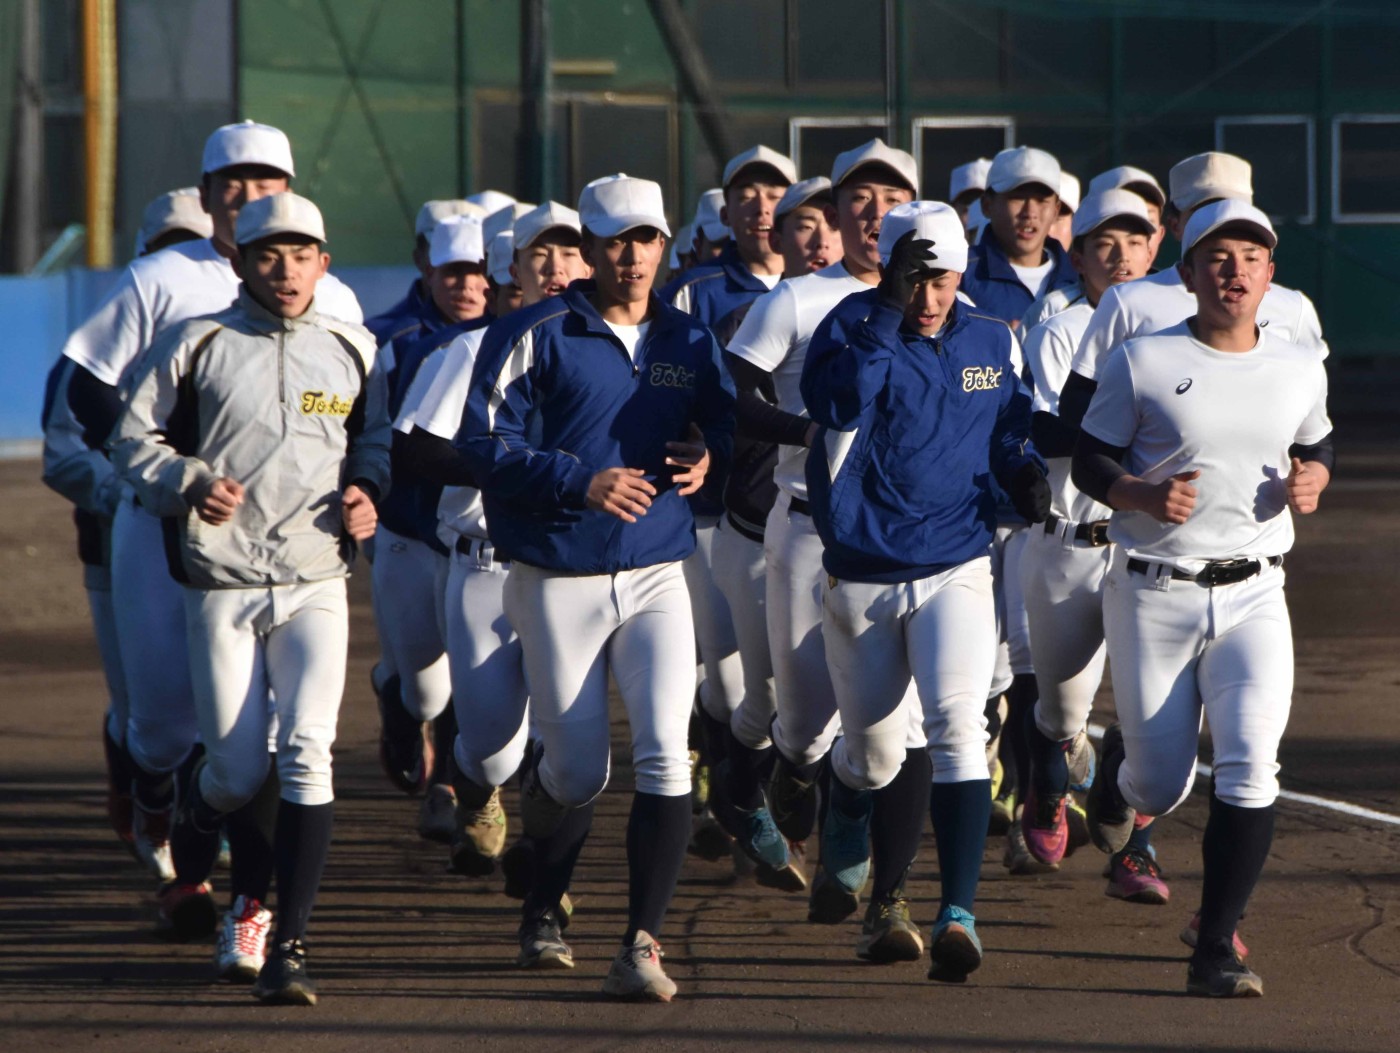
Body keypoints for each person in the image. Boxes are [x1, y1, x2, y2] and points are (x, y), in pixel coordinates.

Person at [60, 120, 362, 887]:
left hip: (287, 547)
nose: (249, 195)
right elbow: (88, 384)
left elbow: (359, 413)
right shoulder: (163, 278)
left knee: (259, 730)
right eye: (232, 182)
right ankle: (159, 798)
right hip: (161, 523)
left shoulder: (335, 295)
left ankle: (228, 882)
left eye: (266, 182)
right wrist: (168, 469)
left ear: (289, 193)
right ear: (205, 195)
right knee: (159, 725)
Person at [109, 191, 390, 1005]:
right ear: (238, 261)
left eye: (303, 254)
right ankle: (198, 809)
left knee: (306, 749)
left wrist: (369, 489)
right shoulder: (193, 343)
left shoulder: (352, 346)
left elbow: (373, 438)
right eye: (270, 254)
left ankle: (287, 942)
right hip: (221, 584)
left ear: (324, 264)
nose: (288, 269)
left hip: (315, 580)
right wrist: (189, 479)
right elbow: (131, 439)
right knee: (233, 769)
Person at [460, 174, 734, 1001]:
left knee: (665, 753)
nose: (634, 255)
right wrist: (578, 481)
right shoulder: (535, 330)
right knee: (578, 772)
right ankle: (542, 899)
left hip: (656, 570)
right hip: (556, 575)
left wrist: (706, 454)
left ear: (662, 242)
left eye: (646, 238)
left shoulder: (687, 339)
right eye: (615, 240)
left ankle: (640, 943)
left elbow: (718, 418)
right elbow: (480, 442)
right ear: (588, 249)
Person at [1072, 200, 1332, 998]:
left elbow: (1315, 439)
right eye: (1218, 256)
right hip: (1154, 591)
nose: (1236, 269)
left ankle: (1215, 945)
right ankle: (1117, 773)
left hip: (1255, 593)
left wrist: (1316, 475)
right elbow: (1089, 459)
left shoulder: (1298, 363)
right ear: (1186, 273)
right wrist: (1139, 498)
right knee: (1161, 786)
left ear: (1270, 275)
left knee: (1253, 765)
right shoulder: (1143, 359)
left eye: (1252, 255)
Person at [801, 201, 1050, 978]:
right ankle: (845, 795)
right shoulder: (850, 325)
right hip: (864, 571)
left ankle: (959, 914)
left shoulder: (986, 338)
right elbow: (836, 402)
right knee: (876, 756)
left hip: (956, 562)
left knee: (955, 728)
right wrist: (883, 307)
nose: (929, 297)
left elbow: (1006, 423)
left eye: (941, 279)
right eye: (915, 278)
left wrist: (1024, 468)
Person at [725, 137, 919, 924]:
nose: (874, 214)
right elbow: (734, 389)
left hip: (907, 544)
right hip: (806, 530)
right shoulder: (799, 299)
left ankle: (890, 897)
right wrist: (801, 428)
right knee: (802, 728)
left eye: (890, 200)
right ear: (834, 214)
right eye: (859, 200)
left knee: (899, 731)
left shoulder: (946, 303)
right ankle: (800, 779)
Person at [396, 201, 593, 893]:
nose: (558, 267)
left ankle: (547, 887)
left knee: (563, 740)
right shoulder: (469, 348)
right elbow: (413, 446)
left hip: (573, 567)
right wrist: (503, 466)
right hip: (485, 563)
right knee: (491, 746)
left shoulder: (615, 348)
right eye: (542, 255)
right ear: (513, 271)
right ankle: (477, 787)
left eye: (570, 251)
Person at [1014, 189, 1158, 887]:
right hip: (1069, 541)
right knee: (1059, 709)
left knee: (1150, 701)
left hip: (1147, 549)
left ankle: (1131, 833)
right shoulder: (1062, 330)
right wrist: (1139, 433)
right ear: (1078, 254)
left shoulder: (1182, 329)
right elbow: (1045, 429)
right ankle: (1046, 792)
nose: (1121, 253)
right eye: (1105, 240)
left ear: (1158, 248)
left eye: (1136, 239)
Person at [1058, 151, 1328, 434]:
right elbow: (1080, 403)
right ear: (1174, 225)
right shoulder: (1127, 301)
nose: (1219, 218)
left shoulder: (1293, 307)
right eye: (1204, 209)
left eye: (1232, 207)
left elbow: (1312, 414)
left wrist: (1310, 469)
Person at [370, 214, 491, 837]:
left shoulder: (512, 336)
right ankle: (393, 698)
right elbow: (366, 436)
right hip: (406, 533)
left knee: (467, 677)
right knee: (424, 692)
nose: (467, 285)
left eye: (477, 272)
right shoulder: (390, 339)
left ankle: (446, 781)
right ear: (427, 268)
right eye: (454, 272)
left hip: (465, 544)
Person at [961, 146, 1078, 327]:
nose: (1030, 213)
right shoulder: (958, 273)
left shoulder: (1082, 277)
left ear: (1056, 210)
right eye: (1017, 198)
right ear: (987, 205)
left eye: (1041, 200)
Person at [364, 199, 483, 346]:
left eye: (479, 269)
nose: (467, 283)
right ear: (418, 258)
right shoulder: (381, 335)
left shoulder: (506, 328)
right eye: (443, 251)